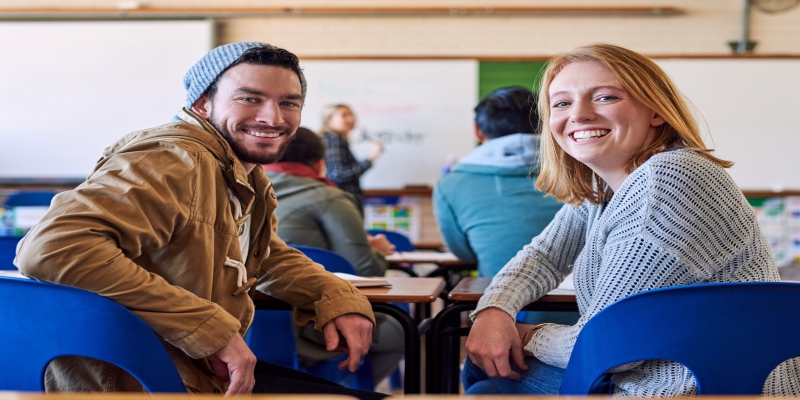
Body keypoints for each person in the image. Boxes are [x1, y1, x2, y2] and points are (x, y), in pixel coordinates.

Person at [15, 42, 386, 400]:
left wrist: (334, 295)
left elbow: (261, 253)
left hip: (191, 373)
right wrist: (206, 327)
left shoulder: (237, 169)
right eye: (249, 98)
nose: (273, 118)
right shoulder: (174, 158)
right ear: (202, 103)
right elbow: (52, 249)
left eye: (288, 103)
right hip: (136, 382)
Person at [462, 43, 800, 396]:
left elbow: (610, 349)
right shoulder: (605, 186)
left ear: (656, 111)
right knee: (486, 380)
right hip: (661, 380)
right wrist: (494, 310)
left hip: (705, 389)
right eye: (561, 103)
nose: (579, 114)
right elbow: (544, 256)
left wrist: (527, 335)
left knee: (486, 370)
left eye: (605, 97)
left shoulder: (667, 179)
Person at [263, 127, 404, 386]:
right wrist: (377, 251)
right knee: (402, 330)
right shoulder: (331, 198)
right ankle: (345, 392)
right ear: (320, 164)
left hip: (243, 326)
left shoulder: (241, 191)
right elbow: (364, 268)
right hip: (313, 324)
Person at [433, 86, 563, 279]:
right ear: (544, 126)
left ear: (477, 131)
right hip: (589, 297)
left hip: (496, 295)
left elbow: (464, 253)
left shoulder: (450, 185)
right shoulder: (585, 172)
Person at [319, 104, 383, 210]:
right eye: (344, 115)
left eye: (352, 114)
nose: (351, 119)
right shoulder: (334, 140)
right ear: (328, 121)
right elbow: (340, 175)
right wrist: (372, 157)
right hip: (344, 202)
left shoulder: (332, 139)